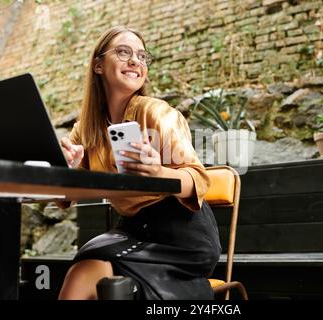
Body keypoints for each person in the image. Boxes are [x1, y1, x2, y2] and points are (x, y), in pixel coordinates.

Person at [57, 25, 221, 300]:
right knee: (79, 277)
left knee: (87, 276)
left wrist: (158, 171)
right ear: (98, 65)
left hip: (182, 234)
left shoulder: (157, 113)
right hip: (133, 229)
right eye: (123, 52)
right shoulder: (84, 129)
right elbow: (69, 196)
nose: (135, 61)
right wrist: (69, 172)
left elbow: (199, 179)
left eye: (142, 56)